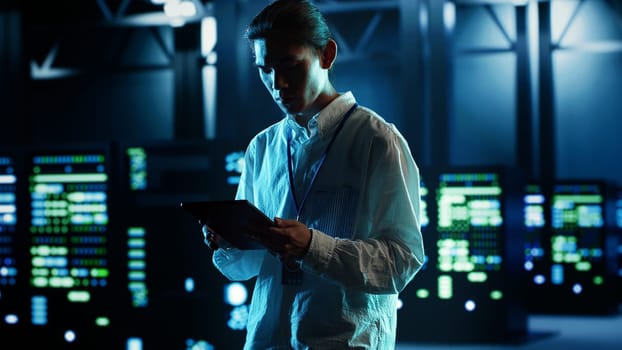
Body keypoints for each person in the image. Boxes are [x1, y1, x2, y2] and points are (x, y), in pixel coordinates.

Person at [202, 0, 424, 348]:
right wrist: (230, 240)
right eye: (265, 69)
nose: (278, 84)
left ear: (327, 55)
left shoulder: (377, 140)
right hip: (268, 339)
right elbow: (245, 270)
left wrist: (311, 246)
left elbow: (401, 262)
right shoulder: (262, 148)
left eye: (290, 66)